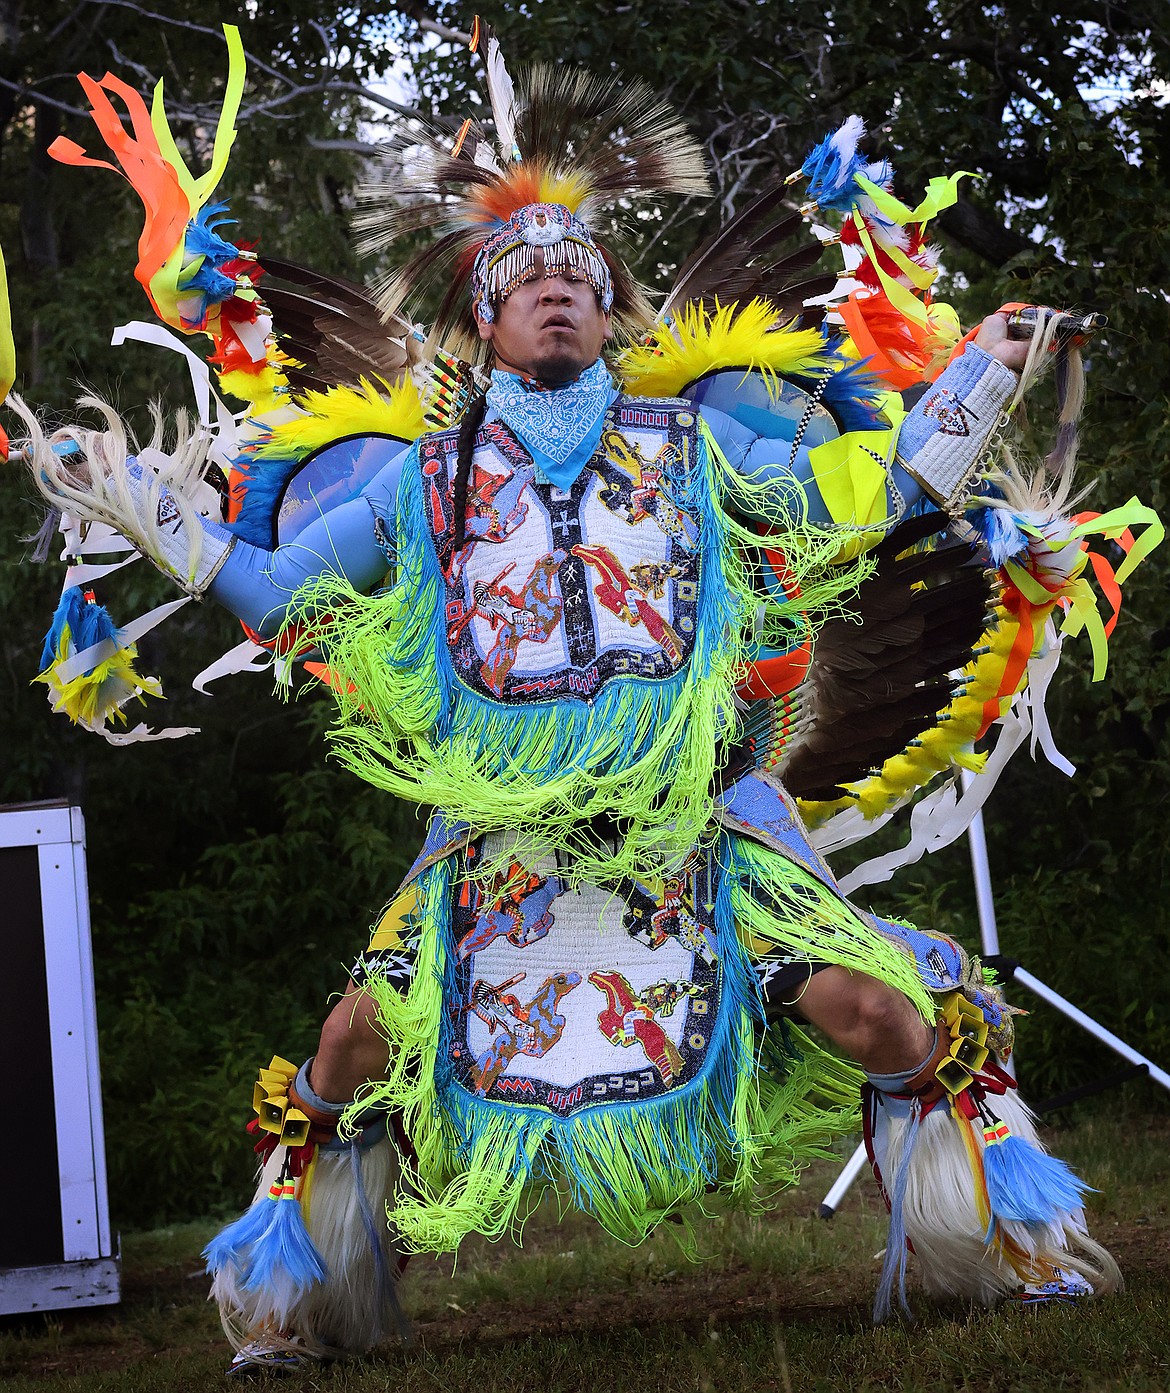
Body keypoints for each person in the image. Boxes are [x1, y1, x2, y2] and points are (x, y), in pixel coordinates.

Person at [18, 27, 1135, 1377]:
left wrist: (984, 370)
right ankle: (292, 1303)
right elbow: (278, 600)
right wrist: (140, 504)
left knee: (879, 1013)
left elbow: (880, 502)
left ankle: (1007, 1243)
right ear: (483, 321)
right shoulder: (420, 484)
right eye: (522, 279)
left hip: (698, 818)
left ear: (610, 313)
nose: (553, 291)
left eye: (577, 279)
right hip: (503, 839)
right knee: (356, 1039)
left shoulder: (696, 449)